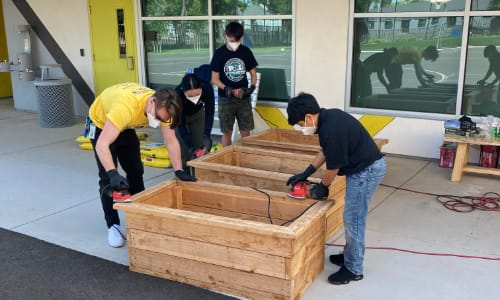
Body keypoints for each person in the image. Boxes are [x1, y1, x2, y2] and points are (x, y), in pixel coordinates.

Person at [286, 93, 386, 285]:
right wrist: (306, 173)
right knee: (352, 217)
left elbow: (334, 167)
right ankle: (350, 255)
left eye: (300, 124)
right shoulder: (328, 118)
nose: (302, 128)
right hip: (364, 168)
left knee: (353, 218)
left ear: (308, 117)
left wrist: (323, 187)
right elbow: (326, 151)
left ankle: (353, 268)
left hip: (366, 171)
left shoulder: (331, 129)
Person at [88, 83, 196, 248]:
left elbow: (171, 140)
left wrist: (179, 169)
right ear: (152, 102)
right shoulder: (125, 108)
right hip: (101, 123)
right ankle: (113, 225)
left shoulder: (167, 107)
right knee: (108, 179)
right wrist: (112, 172)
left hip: (126, 125)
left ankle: (140, 215)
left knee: (136, 170)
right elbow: (102, 145)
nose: (160, 122)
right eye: (159, 119)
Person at [211, 21, 258, 146]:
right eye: (231, 40)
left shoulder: (246, 52)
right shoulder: (219, 53)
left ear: (241, 38)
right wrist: (225, 88)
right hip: (225, 99)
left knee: (246, 131)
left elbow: (253, 73)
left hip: (243, 98)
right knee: (227, 132)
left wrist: (251, 88)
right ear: (226, 35)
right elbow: (214, 78)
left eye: (236, 41)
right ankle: (226, 159)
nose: (234, 43)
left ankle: (245, 157)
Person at [174, 73, 215, 170]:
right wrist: (190, 145)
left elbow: (209, 113)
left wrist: (207, 134)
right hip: (180, 117)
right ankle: (183, 174)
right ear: (183, 91)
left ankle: (198, 173)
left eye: (197, 94)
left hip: (198, 114)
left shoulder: (207, 88)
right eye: (190, 96)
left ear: (201, 87)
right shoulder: (177, 95)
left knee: (199, 145)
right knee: (183, 148)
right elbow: (181, 125)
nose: (194, 98)